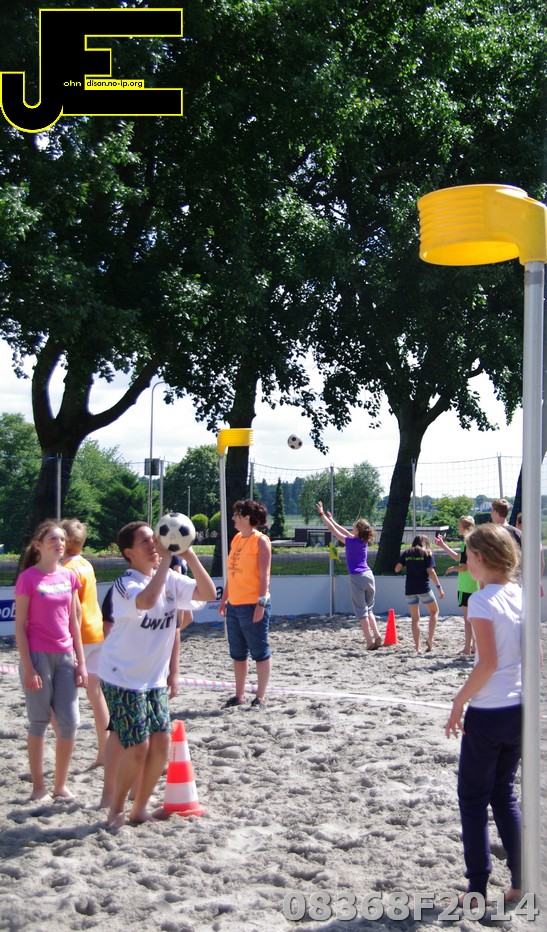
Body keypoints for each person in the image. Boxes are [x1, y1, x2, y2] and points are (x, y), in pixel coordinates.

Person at [97, 521, 216, 828]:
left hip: (154, 679)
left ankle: (139, 809)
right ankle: (116, 808)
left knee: (162, 743)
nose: (154, 546)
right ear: (129, 553)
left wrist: (189, 555)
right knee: (138, 747)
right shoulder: (126, 584)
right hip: (122, 676)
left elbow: (208, 593)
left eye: (155, 539)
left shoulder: (171, 578)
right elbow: (147, 600)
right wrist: (166, 561)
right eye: (146, 543)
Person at [445, 523, 522, 907]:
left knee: (473, 798)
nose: (465, 562)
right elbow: (537, 656)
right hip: (520, 710)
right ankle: (521, 883)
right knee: (503, 794)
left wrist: (459, 702)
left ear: (478, 558)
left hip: (489, 713)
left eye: (467, 555)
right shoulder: (520, 594)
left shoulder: (481, 600)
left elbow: (486, 662)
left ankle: (476, 891)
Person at [14, 520, 87, 800]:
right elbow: (20, 626)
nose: (60, 544)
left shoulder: (69, 576)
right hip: (37, 656)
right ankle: (38, 787)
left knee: (70, 722)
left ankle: (60, 785)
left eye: (62, 540)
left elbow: (74, 621)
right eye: (53, 539)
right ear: (38, 546)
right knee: (39, 721)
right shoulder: (28, 578)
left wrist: (81, 662)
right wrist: (29, 668)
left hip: (65, 656)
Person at [60, 518, 109, 766]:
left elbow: (71, 611)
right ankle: (104, 751)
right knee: (96, 695)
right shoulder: (86, 564)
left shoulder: (66, 570)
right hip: (96, 631)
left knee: (64, 698)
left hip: (79, 635)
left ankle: (65, 753)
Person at [219, 499, 272, 709]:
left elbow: (265, 575)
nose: (233, 518)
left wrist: (261, 603)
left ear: (247, 518)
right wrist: (225, 599)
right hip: (234, 605)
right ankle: (239, 696)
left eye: (237, 514)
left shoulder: (261, 541)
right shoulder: (236, 539)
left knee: (260, 651)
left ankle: (260, 697)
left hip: (252, 604)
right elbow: (232, 573)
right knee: (238, 653)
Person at [316, 501, 382, 650]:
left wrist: (321, 514)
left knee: (361, 612)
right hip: (369, 575)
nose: (352, 527)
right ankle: (377, 636)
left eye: (354, 526)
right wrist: (332, 519)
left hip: (357, 577)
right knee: (369, 609)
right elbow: (341, 530)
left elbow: (332, 530)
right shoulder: (362, 541)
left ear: (358, 530)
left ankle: (369, 642)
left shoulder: (351, 542)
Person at [435, 517, 479, 657]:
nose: (458, 527)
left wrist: (453, 568)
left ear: (463, 527)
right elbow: (459, 558)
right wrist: (443, 546)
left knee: (468, 620)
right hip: (477, 585)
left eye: (459, 525)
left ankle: (467, 649)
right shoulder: (476, 542)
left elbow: (463, 566)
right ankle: (474, 646)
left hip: (466, 586)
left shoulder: (466, 543)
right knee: (475, 619)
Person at [395, 535, 444, 652]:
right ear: (425, 543)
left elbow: (397, 569)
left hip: (410, 589)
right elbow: (431, 571)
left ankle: (417, 646)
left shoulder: (407, 552)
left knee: (415, 618)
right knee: (434, 611)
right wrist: (439, 588)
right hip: (423, 588)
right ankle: (430, 639)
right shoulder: (427, 553)